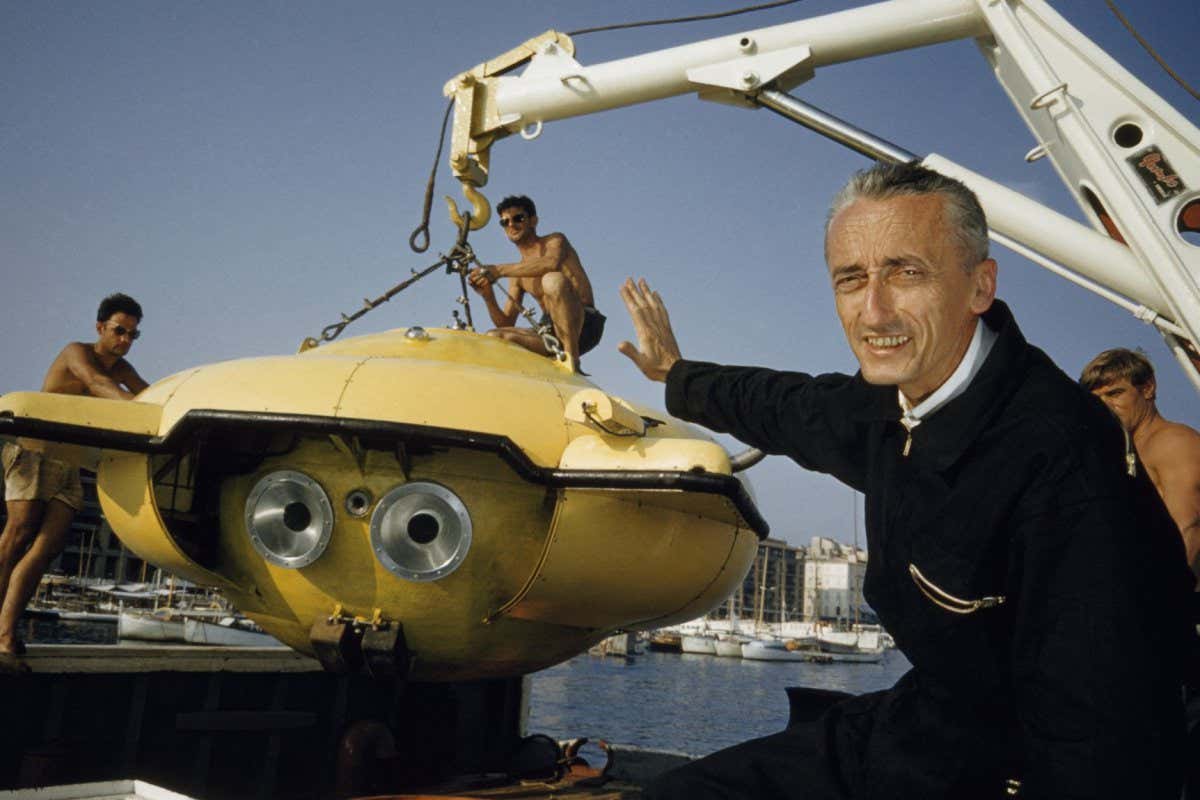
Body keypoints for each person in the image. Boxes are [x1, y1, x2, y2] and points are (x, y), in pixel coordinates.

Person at [618, 163, 1194, 799]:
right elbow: (783, 405)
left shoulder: (1063, 460)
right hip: (926, 723)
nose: (874, 310)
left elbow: (1102, 731)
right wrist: (675, 374)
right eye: (851, 279)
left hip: (1028, 760)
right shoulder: (886, 406)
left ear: (980, 286)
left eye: (906, 272)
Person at [0, 293, 149, 668]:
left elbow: (149, 394)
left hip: (72, 465)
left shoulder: (124, 369)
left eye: (133, 334)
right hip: (35, 452)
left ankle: (5, 633)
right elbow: (94, 381)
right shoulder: (76, 352)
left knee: (45, 550)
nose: (125, 340)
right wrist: (132, 409)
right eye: (119, 331)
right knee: (16, 538)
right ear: (100, 328)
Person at [1081, 348, 1200, 581]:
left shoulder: (1172, 441)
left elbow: (1188, 526)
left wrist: (1166, 604)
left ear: (1147, 388)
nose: (1105, 406)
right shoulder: (1124, 452)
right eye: (1097, 399)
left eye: (1114, 394)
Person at [468, 195, 605, 371]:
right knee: (494, 336)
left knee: (552, 280)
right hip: (550, 332)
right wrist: (488, 296)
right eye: (505, 222)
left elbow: (551, 263)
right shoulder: (517, 274)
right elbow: (505, 322)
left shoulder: (555, 241)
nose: (511, 225)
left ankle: (571, 361)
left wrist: (498, 271)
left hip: (584, 323)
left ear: (533, 221)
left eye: (518, 218)